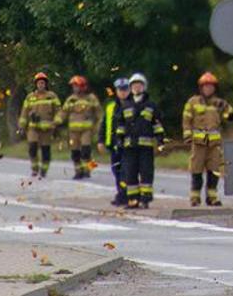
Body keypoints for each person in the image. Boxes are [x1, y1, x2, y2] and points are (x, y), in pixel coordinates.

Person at [181, 71, 233, 206]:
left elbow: (230, 115)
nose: (208, 89)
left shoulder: (219, 103)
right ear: (201, 88)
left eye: (211, 86)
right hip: (199, 143)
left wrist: (228, 114)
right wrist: (187, 134)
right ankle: (195, 197)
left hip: (214, 144)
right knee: (196, 170)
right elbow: (186, 120)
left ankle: (212, 196)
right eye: (205, 86)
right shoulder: (193, 102)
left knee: (214, 170)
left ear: (215, 88)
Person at [114, 72, 165, 208]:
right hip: (129, 146)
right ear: (131, 88)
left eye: (139, 85)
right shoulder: (125, 106)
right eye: (134, 85)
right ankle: (132, 200)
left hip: (146, 147)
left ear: (144, 87)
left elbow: (157, 124)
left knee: (146, 172)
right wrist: (119, 138)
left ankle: (145, 199)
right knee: (130, 172)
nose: (137, 88)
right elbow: (121, 125)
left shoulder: (151, 106)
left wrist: (160, 139)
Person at [18, 72, 62, 178]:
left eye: (43, 83)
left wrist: (56, 123)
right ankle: (35, 169)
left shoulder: (52, 96)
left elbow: (59, 111)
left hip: (47, 128)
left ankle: (44, 170)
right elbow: (24, 112)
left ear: (46, 84)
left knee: (45, 150)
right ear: (36, 84)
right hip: (33, 127)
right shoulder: (30, 97)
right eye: (39, 83)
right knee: (32, 147)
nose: (41, 85)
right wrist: (21, 126)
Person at [61, 75, 101, 179]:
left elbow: (99, 114)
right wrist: (55, 122)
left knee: (86, 151)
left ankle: (87, 170)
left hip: (86, 131)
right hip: (73, 132)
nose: (75, 88)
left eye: (76, 86)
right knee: (75, 152)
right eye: (73, 86)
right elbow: (63, 113)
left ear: (83, 86)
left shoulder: (91, 98)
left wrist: (98, 127)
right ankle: (78, 171)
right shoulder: (71, 100)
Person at [103, 77, 130, 206]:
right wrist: (101, 140)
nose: (123, 92)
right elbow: (105, 124)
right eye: (120, 90)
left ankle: (124, 195)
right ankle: (121, 192)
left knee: (126, 171)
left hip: (128, 144)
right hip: (114, 144)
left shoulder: (133, 105)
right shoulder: (111, 107)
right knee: (116, 170)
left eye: (125, 90)